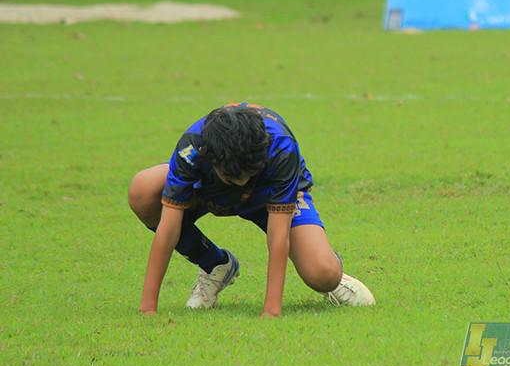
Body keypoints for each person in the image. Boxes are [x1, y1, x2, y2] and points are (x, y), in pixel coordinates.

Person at [129, 102, 375, 316]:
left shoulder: (281, 147)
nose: (242, 181)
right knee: (142, 189)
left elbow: (278, 236)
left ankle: (334, 276)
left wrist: (271, 310)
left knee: (323, 273)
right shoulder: (192, 148)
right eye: (233, 177)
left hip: (269, 193)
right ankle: (215, 264)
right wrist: (148, 307)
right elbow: (168, 229)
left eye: (248, 175)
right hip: (209, 191)